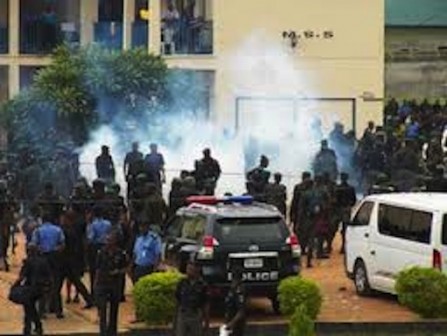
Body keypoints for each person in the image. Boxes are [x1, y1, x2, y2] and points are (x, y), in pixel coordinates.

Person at [31, 212, 66, 319]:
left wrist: (40, 250)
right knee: (55, 284)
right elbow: (62, 245)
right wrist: (55, 250)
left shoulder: (38, 230)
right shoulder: (58, 230)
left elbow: (33, 245)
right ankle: (58, 311)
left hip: (42, 259)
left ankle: (42, 312)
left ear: (42, 220)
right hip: (55, 259)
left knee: (42, 284)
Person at [14, 243, 52, 336]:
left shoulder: (28, 262)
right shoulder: (44, 261)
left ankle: (28, 328)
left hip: (30, 288)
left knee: (28, 309)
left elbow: (22, 276)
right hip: (40, 288)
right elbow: (49, 276)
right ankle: (37, 327)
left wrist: (15, 285)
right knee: (31, 308)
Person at [94, 232, 127, 336]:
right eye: (107, 240)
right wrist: (95, 285)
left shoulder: (120, 253)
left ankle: (112, 332)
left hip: (114, 284)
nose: (107, 242)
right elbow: (97, 269)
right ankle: (103, 332)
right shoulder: (101, 252)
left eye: (110, 240)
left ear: (115, 241)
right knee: (102, 309)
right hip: (102, 283)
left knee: (114, 310)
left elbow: (126, 267)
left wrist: (118, 271)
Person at [174, 258, 210, 336]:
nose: (188, 271)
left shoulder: (203, 285)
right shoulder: (182, 283)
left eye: (190, 268)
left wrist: (207, 321)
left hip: (195, 314)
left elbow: (206, 304)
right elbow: (178, 300)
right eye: (187, 268)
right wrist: (175, 319)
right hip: (183, 314)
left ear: (197, 269)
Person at [86, 206, 113, 296]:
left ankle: (94, 292)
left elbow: (90, 238)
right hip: (106, 247)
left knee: (94, 270)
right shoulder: (108, 223)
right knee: (107, 269)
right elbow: (110, 235)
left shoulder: (93, 224)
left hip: (95, 247)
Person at [335, 173, 357, 254]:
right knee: (345, 228)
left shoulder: (338, 188)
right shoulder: (350, 188)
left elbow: (335, 200)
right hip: (346, 209)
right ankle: (344, 246)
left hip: (339, 210)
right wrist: (348, 205)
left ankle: (342, 246)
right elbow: (354, 200)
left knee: (335, 228)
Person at [223, 267, 246, 336]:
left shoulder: (239, 291)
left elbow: (241, 312)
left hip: (236, 325)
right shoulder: (232, 290)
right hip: (229, 322)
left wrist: (232, 323)